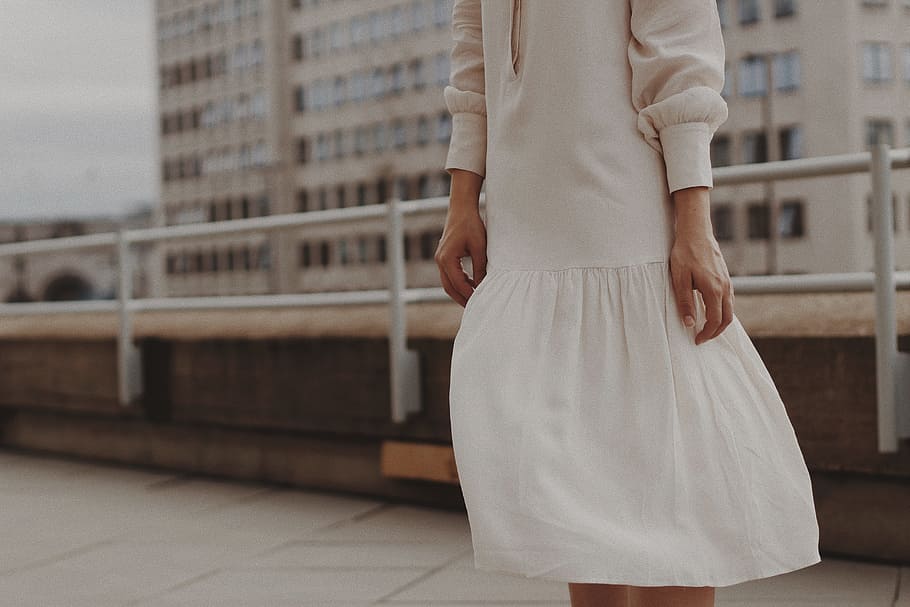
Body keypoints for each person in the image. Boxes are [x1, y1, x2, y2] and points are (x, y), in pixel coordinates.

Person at [435, 1, 822, 606]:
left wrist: (694, 222)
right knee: (580, 479)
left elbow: (682, 47)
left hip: (626, 211)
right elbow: (472, 50)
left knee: (670, 477)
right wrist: (464, 196)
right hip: (526, 219)